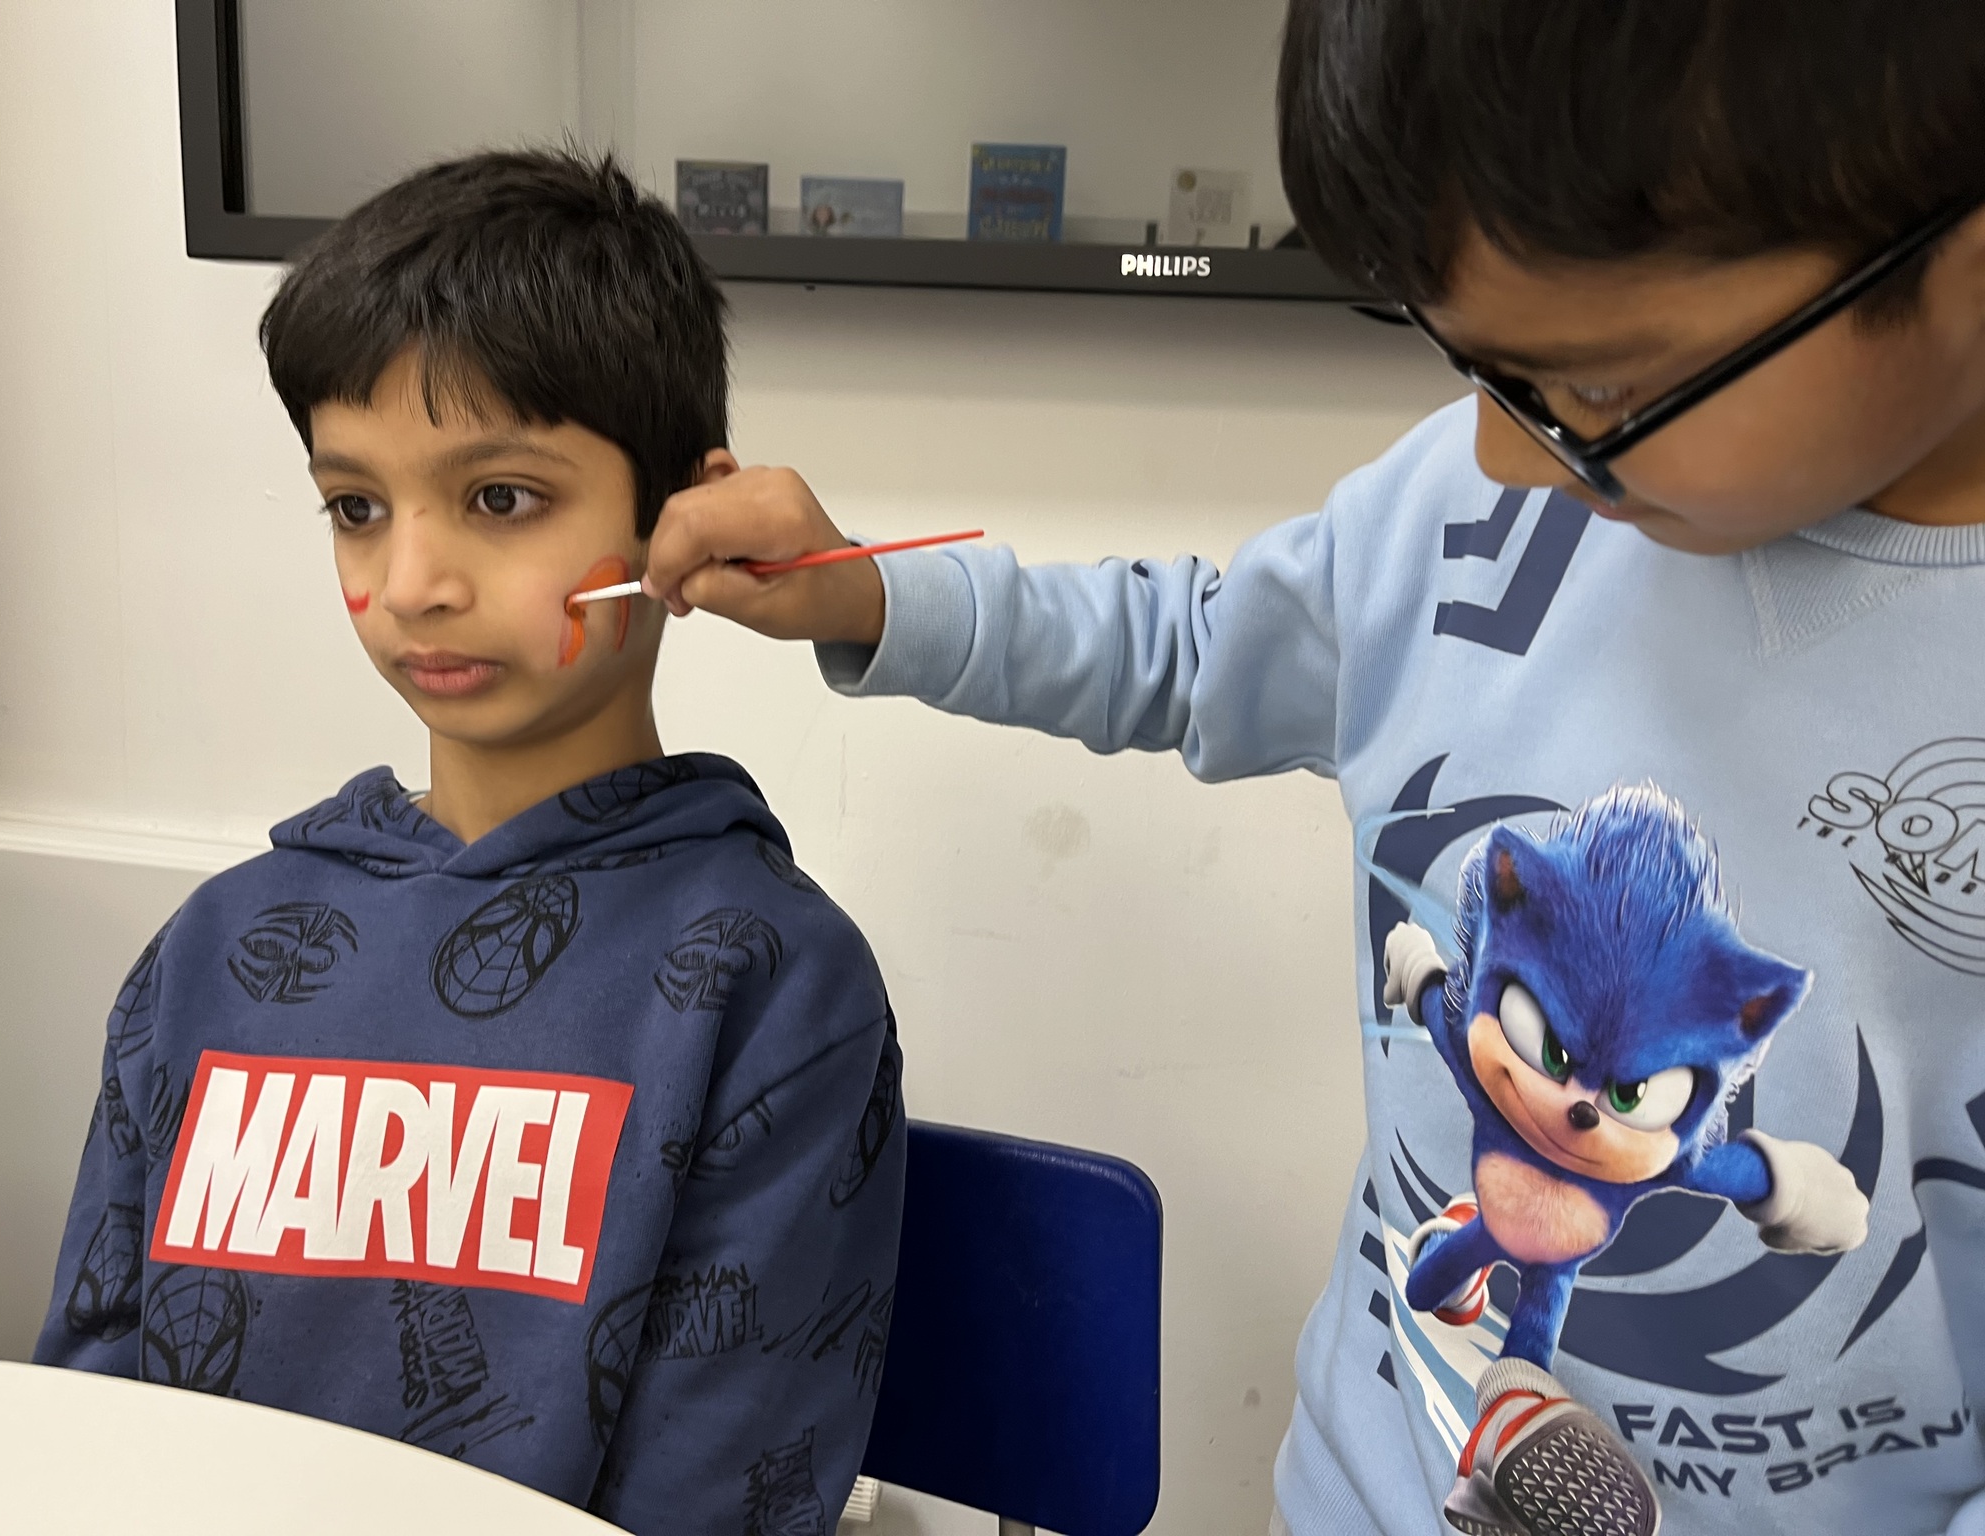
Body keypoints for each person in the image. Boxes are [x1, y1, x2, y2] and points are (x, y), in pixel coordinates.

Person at [636, 5, 1985, 1535]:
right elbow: (1193, 646)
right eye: (1476, 366)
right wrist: (869, 594)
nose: (1504, 456)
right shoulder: (1456, 510)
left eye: (1602, 385)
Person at [34, 149, 905, 1536]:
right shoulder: (214, 948)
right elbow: (90, 1423)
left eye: (501, 499)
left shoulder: (771, 982)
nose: (412, 585)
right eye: (356, 508)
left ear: (684, 522)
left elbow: (716, 1494)